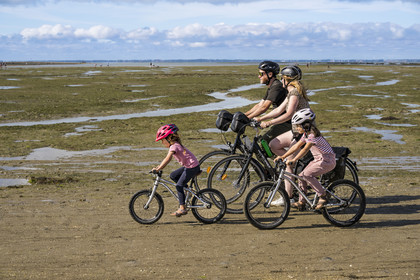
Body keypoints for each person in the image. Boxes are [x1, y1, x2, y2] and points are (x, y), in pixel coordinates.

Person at [275, 108, 336, 210]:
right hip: (318, 160)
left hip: (326, 160)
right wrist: (283, 156)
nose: (297, 128)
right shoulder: (306, 134)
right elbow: (296, 146)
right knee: (301, 176)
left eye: (298, 126)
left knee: (307, 175)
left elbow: (305, 149)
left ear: (306, 125)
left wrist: (294, 160)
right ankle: (302, 202)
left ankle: (323, 196)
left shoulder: (313, 134)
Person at [152, 124, 201, 217]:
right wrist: (159, 167)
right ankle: (187, 191)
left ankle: (182, 208)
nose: (162, 143)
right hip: (190, 166)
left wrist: (159, 169)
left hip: (192, 167)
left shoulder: (174, 146)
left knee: (179, 186)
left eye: (162, 140)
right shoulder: (175, 145)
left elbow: (167, 159)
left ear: (169, 138)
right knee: (173, 175)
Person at [245, 61, 289, 143]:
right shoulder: (272, 86)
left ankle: (279, 156)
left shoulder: (277, 86)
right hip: (279, 120)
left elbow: (265, 107)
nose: (259, 76)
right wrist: (244, 115)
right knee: (261, 139)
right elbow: (260, 105)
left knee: (262, 141)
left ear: (270, 74)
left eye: (261, 74)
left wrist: (248, 118)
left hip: (286, 122)